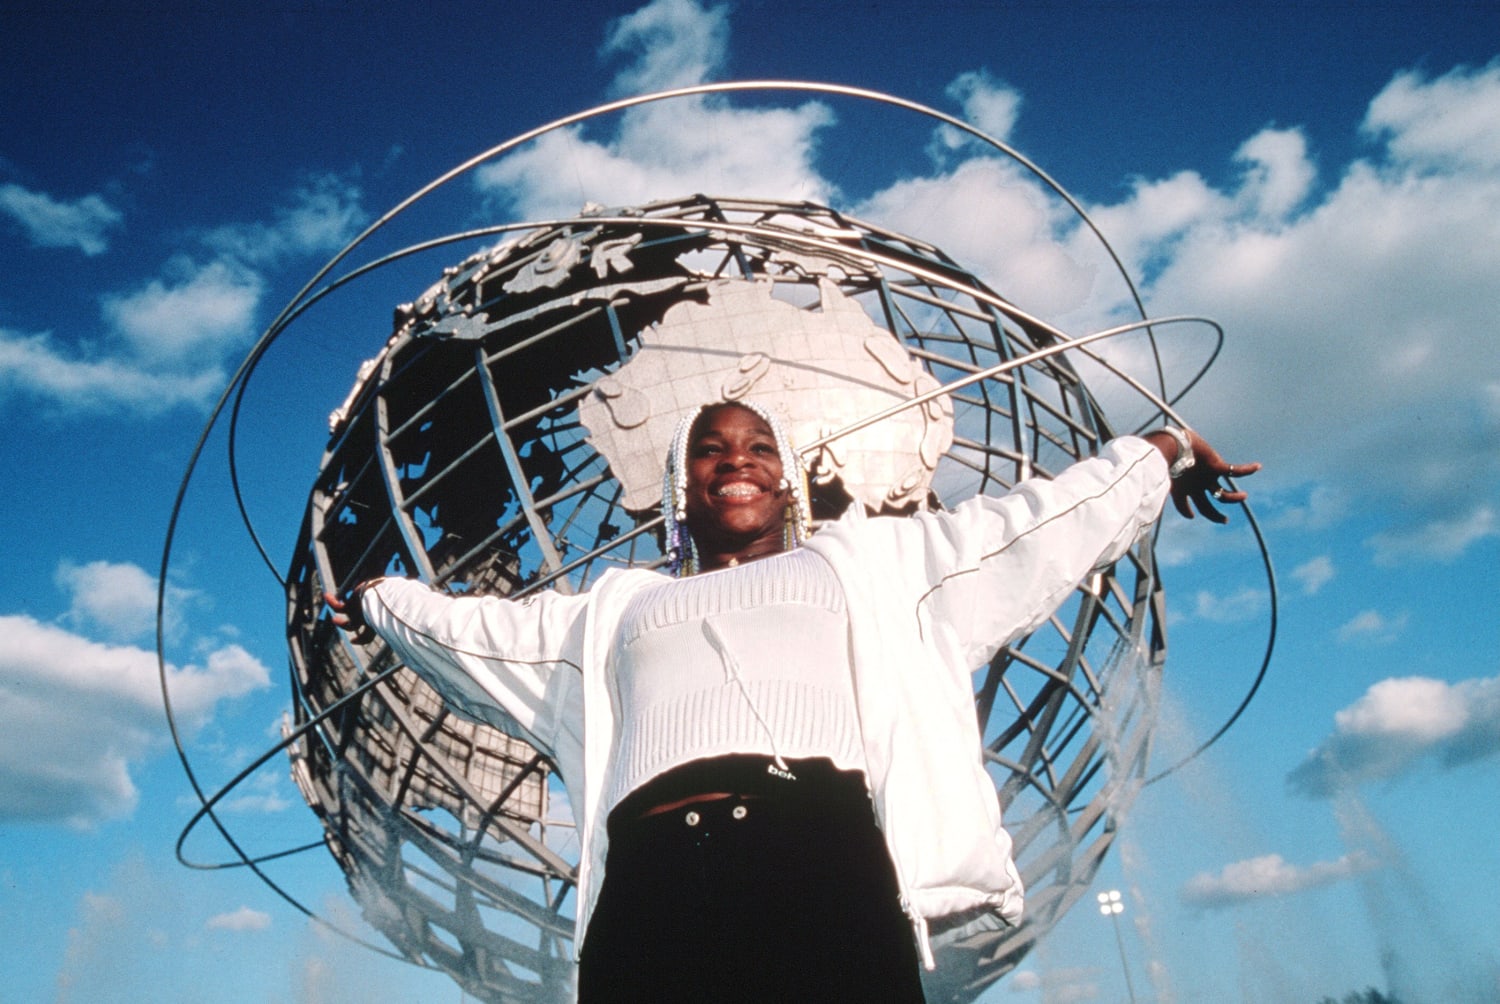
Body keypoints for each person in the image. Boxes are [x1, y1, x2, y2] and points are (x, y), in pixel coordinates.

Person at [327, 400, 1258, 1003]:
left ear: (786, 476)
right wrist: (375, 599)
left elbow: (1037, 525)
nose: (737, 460)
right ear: (677, 481)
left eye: (759, 446)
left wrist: (1162, 449)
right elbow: (468, 635)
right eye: (711, 448)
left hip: (822, 866)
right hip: (652, 894)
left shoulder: (883, 568)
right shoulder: (608, 616)